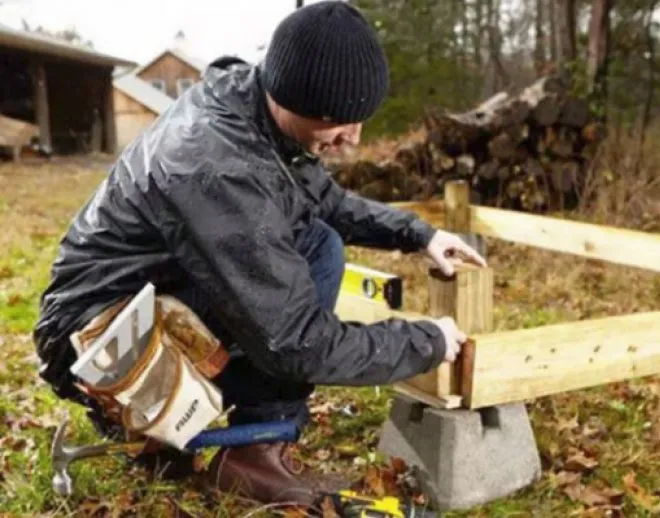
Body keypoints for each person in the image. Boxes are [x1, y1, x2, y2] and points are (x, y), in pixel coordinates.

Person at [33, 0, 486, 507]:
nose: (352, 137)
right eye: (339, 120)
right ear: (293, 97)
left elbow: (323, 198)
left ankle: (205, 429)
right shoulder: (218, 166)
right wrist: (425, 340)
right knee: (309, 265)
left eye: (361, 119)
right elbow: (297, 343)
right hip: (93, 336)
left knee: (317, 237)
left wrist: (417, 234)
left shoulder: (255, 106)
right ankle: (246, 443)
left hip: (141, 294)